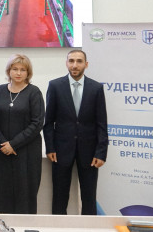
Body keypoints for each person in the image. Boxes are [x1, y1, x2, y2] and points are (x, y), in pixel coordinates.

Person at [43, 49, 108, 215]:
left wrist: (101, 153)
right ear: (66, 63)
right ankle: (59, 226)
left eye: (79, 61)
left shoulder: (96, 88)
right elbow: (48, 122)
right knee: (59, 196)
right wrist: (50, 147)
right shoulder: (55, 86)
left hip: (90, 152)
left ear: (86, 64)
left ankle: (89, 226)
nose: (75, 65)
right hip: (60, 150)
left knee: (89, 196)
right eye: (71, 61)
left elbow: (102, 124)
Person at [0, 54, 44, 214]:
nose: (18, 73)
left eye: (23, 70)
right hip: (3, 150)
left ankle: (24, 225)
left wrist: (13, 144)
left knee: (25, 195)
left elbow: (37, 123)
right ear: (9, 71)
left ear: (28, 73)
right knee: (3, 191)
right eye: (15, 69)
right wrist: (4, 143)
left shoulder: (34, 92)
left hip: (27, 152)